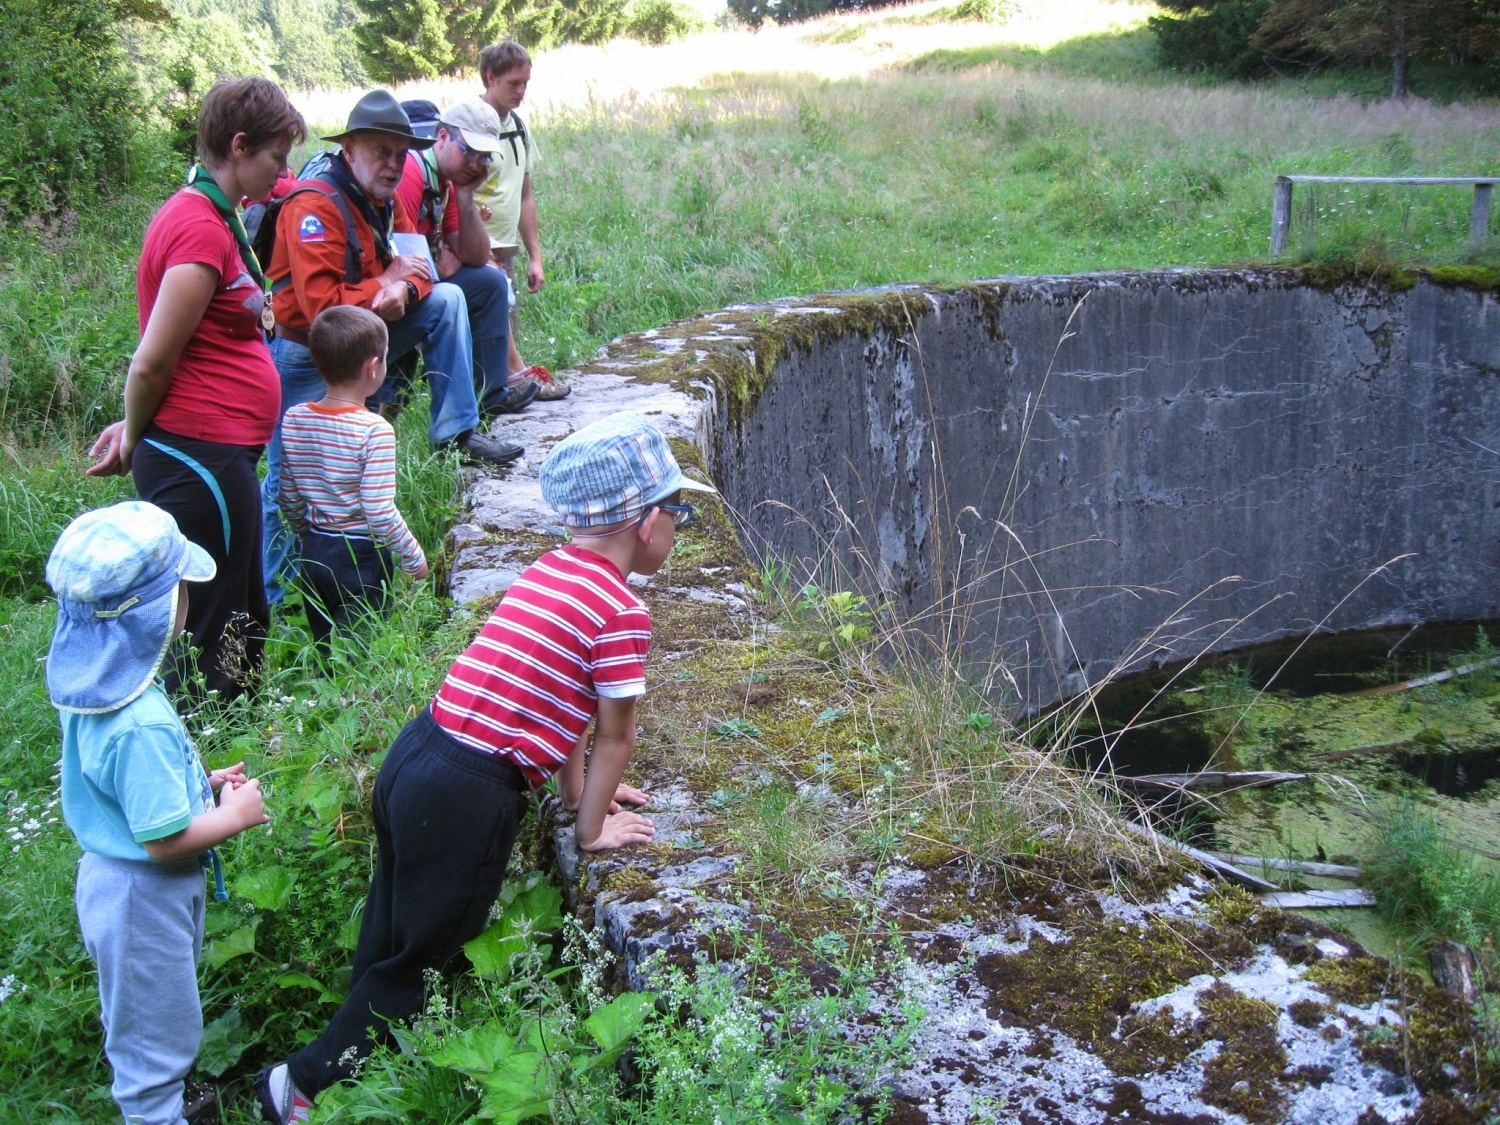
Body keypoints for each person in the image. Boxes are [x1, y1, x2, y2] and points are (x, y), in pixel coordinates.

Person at [255, 413, 716, 1123]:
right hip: (468, 796)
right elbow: (614, 733)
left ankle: (357, 1037)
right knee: (425, 955)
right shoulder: (620, 609)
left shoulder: (552, 570)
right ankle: (300, 1086)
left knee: (390, 923)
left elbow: (559, 704)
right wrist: (590, 827)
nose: (679, 527)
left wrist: (574, 787)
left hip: (419, 755)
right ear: (648, 522)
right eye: (678, 512)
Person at [46, 501, 270, 1125]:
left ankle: (166, 1099)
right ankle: (156, 1112)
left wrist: (201, 781)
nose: (186, 600)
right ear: (152, 612)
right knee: (152, 1036)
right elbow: (165, 840)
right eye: (179, 589)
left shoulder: (102, 691)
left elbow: (126, 787)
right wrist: (235, 814)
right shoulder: (137, 723)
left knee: (159, 1008)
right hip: (143, 897)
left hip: (126, 888)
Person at [88, 77, 306, 703]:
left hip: (215, 447)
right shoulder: (198, 228)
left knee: (241, 599)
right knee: (215, 613)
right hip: (199, 451)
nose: (283, 171)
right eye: (275, 157)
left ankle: (238, 737)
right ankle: (212, 754)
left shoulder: (216, 215)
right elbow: (153, 361)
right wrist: (134, 434)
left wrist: (139, 429)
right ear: (239, 146)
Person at [262, 89, 525, 605]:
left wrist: (401, 289)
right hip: (305, 352)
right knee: (285, 479)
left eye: (399, 153)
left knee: (448, 299)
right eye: (380, 150)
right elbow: (321, 311)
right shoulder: (313, 205)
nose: (391, 163)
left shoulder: (382, 201)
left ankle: (455, 431)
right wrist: (384, 284)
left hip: (365, 331)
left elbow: (421, 269)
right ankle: (275, 599)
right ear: (350, 148)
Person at [278, 306, 429, 652]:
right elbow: (377, 510)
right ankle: (356, 704)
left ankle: (323, 701)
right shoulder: (374, 430)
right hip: (358, 555)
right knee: (361, 649)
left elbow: (288, 495)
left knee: (324, 647)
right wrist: (413, 558)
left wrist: (307, 533)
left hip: (314, 550)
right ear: (373, 368)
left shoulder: (295, 419)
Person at [391, 98, 546, 417]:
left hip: (422, 278)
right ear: (443, 137)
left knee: (489, 281)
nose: (476, 164)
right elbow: (401, 258)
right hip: (391, 291)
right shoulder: (410, 172)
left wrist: (465, 197)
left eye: (485, 156)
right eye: (470, 151)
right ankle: (456, 419)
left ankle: (492, 394)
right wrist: (440, 267)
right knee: (452, 292)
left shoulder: (448, 180)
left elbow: (474, 256)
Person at [477, 41, 568, 397]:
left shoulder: (518, 127)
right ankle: (511, 385)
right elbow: (452, 191)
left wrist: (535, 256)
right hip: (474, 247)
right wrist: (475, 247)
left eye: (526, 83)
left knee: (504, 324)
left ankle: (505, 392)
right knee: (490, 326)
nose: (521, 91)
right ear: (490, 78)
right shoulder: (470, 126)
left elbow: (525, 195)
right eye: (514, 83)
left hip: (505, 246)